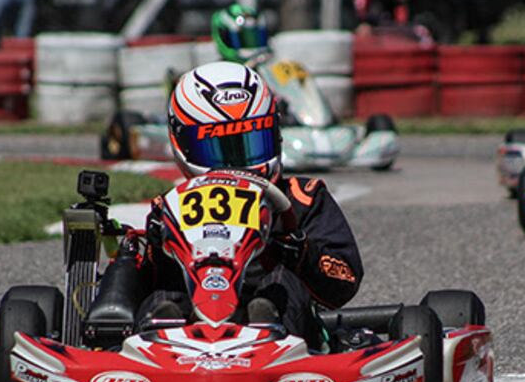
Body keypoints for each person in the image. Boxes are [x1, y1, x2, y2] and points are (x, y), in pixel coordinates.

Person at [87, 62, 363, 347]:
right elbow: (152, 278)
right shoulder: (172, 206)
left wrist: (303, 253)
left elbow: (345, 280)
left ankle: (267, 325)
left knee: (280, 285)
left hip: (282, 334)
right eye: (219, 149)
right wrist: (155, 248)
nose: (235, 164)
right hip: (189, 324)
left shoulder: (303, 197)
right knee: (163, 295)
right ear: (183, 143)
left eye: (251, 144)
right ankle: (157, 333)